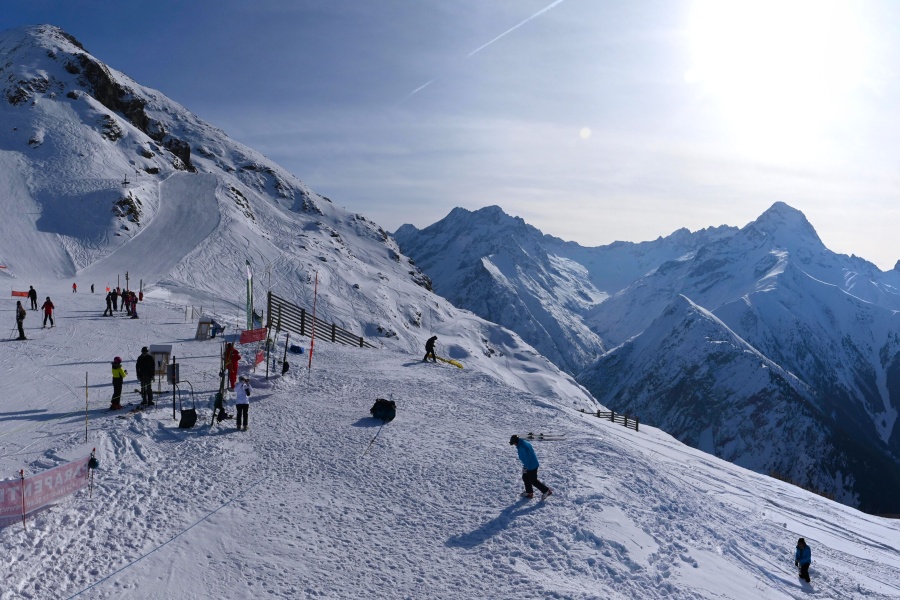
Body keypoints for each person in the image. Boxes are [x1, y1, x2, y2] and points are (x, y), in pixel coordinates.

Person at [509, 434, 553, 500]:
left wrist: (526, 467)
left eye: (514, 443)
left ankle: (546, 491)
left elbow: (528, 458)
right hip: (530, 464)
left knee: (533, 480)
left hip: (531, 465)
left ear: (516, 442)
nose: (514, 445)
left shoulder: (523, 447)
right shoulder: (522, 443)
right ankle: (529, 492)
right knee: (525, 477)